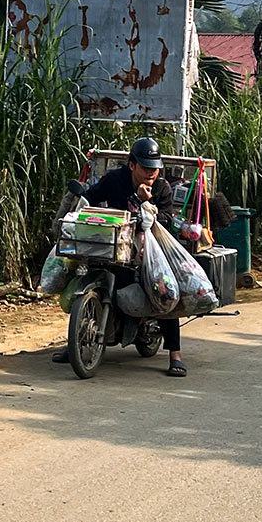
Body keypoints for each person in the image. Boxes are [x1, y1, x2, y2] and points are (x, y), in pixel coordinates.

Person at [51, 136, 191, 377]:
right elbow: (91, 197)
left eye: (155, 168)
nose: (151, 173)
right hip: (114, 244)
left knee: (162, 288)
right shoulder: (115, 179)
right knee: (82, 272)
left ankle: (175, 355)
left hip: (149, 248)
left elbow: (167, 220)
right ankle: (76, 343)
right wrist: (78, 207)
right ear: (132, 165)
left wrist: (147, 205)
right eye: (145, 167)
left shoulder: (161, 188)